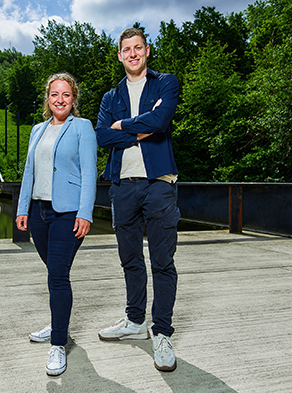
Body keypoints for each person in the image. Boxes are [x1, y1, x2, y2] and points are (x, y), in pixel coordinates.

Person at [95, 27, 180, 372]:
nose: (132, 53)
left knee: (162, 261)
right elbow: (101, 136)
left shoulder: (165, 83)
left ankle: (161, 331)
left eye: (137, 48)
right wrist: (140, 129)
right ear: (119, 55)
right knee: (130, 259)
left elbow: (161, 121)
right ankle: (134, 321)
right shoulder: (109, 96)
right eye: (126, 49)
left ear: (147, 51)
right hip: (122, 185)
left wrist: (123, 127)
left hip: (158, 183)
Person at [15, 72, 98, 376]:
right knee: (53, 273)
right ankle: (57, 321)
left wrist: (85, 213)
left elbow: (90, 172)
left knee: (59, 275)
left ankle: (58, 344)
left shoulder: (83, 128)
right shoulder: (37, 130)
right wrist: (23, 207)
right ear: (47, 99)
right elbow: (28, 172)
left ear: (73, 98)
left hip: (68, 213)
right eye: (54, 95)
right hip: (39, 213)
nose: (59, 100)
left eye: (66, 94)